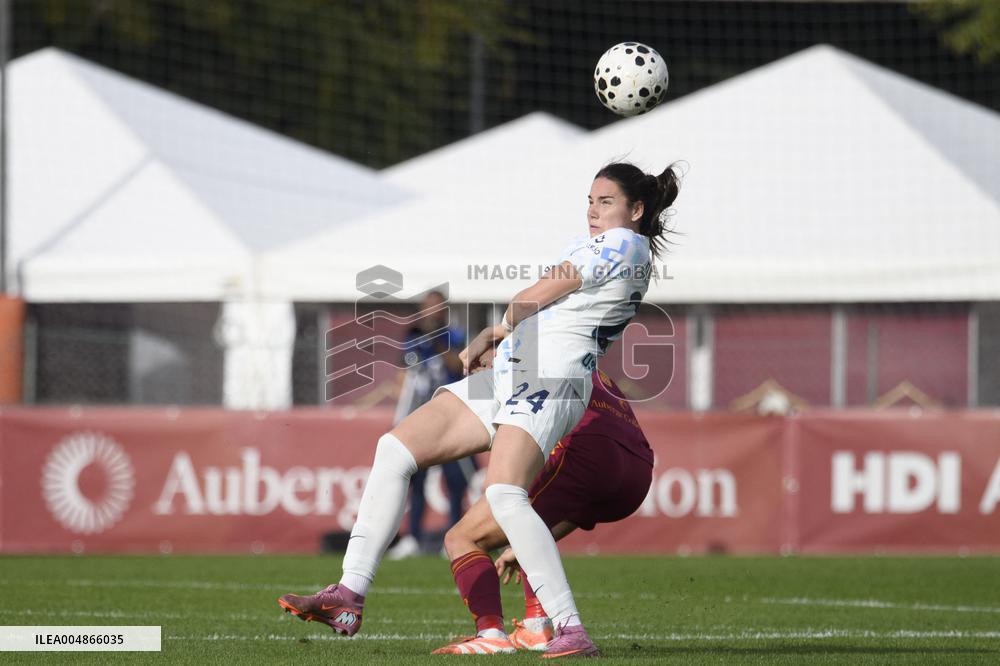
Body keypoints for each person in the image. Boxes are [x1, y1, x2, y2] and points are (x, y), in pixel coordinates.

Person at [278, 161, 681, 659]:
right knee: (395, 448)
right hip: (520, 369)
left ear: (636, 210)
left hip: (553, 379)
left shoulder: (626, 243)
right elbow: (558, 310)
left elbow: (542, 295)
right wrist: (507, 345)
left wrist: (501, 325)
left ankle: (569, 626)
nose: (593, 211)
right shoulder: (602, 244)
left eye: (606, 202)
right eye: (590, 201)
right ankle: (348, 593)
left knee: (505, 493)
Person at [432, 369, 654, 655]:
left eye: (480, 362)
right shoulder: (588, 365)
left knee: (462, 537)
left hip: (585, 452)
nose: (477, 370)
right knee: (529, 525)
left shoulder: (521, 363)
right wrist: (523, 545)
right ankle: (536, 625)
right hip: (638, 474)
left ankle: (490, 634)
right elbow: (580, 500)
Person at [387, 290, 476, 560]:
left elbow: (458, 365)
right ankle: (412, 536)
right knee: (415, 479)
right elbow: (404, 373)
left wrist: (437, 340)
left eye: (436, 308)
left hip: (449, 417)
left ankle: (454, 537)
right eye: (427, 308)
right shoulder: (412, 336)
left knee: (456, 480)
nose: (431, 313)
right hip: (419, 417)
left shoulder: (454, 336)